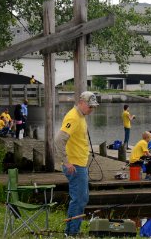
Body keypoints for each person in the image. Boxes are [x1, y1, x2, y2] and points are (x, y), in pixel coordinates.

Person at [54, 91, 99, 236]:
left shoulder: (81, 116)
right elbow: (59, 140)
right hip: (75, 165)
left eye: (93, 107)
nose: (92, 109)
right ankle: (71, 232)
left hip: (81, 164)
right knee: (78, 199)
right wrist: (66, 162)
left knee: (82, 198)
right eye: (90, 106)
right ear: (81, 102)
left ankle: (73, 230)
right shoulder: (73, 117)